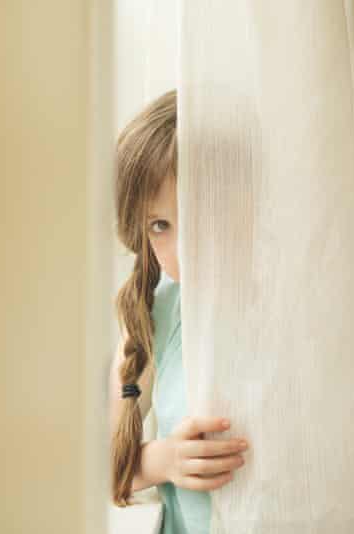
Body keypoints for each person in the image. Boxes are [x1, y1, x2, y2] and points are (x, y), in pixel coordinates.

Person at [108, 88, 250, 534]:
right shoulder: (155, 315)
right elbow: (99, 462)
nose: (184, 247)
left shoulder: (289, 300)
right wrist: (162, 460)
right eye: (160, 226)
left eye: (199, 213)